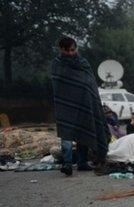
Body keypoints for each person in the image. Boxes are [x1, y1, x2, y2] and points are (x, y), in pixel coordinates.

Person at [51, 37, 109, 176]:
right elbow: (57, 85)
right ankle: (67, 164)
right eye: (67, 50)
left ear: (76, 48)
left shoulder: (83, 63)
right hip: (66, 105)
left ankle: (82, 163)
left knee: (84, 132)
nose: (70, 53)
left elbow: (90, 84)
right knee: (67, 134)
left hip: (84, 104)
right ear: (61, 49)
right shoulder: (57, 64)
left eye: (73, 49)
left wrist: (89, 98)